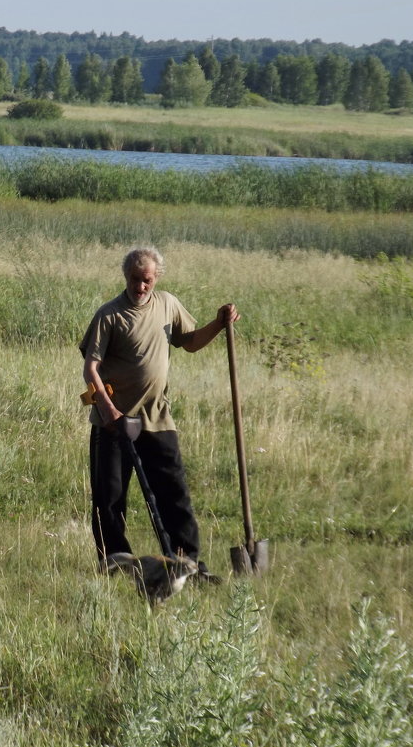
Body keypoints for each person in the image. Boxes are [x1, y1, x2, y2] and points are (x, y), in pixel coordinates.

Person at [79, 246, 239, 581]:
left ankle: (186, 566)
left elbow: (191, 342)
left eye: (146, 280)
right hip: (115, 423)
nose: (140, 287)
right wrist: (110, 413)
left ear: (156, 278)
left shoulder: (167, 304)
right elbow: (90, 368)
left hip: (157, 418)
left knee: (173, 494)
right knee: (110, 499)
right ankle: (116, 565)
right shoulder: (109, 315)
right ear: (126, 277)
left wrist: (219, 323)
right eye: (135, 280)